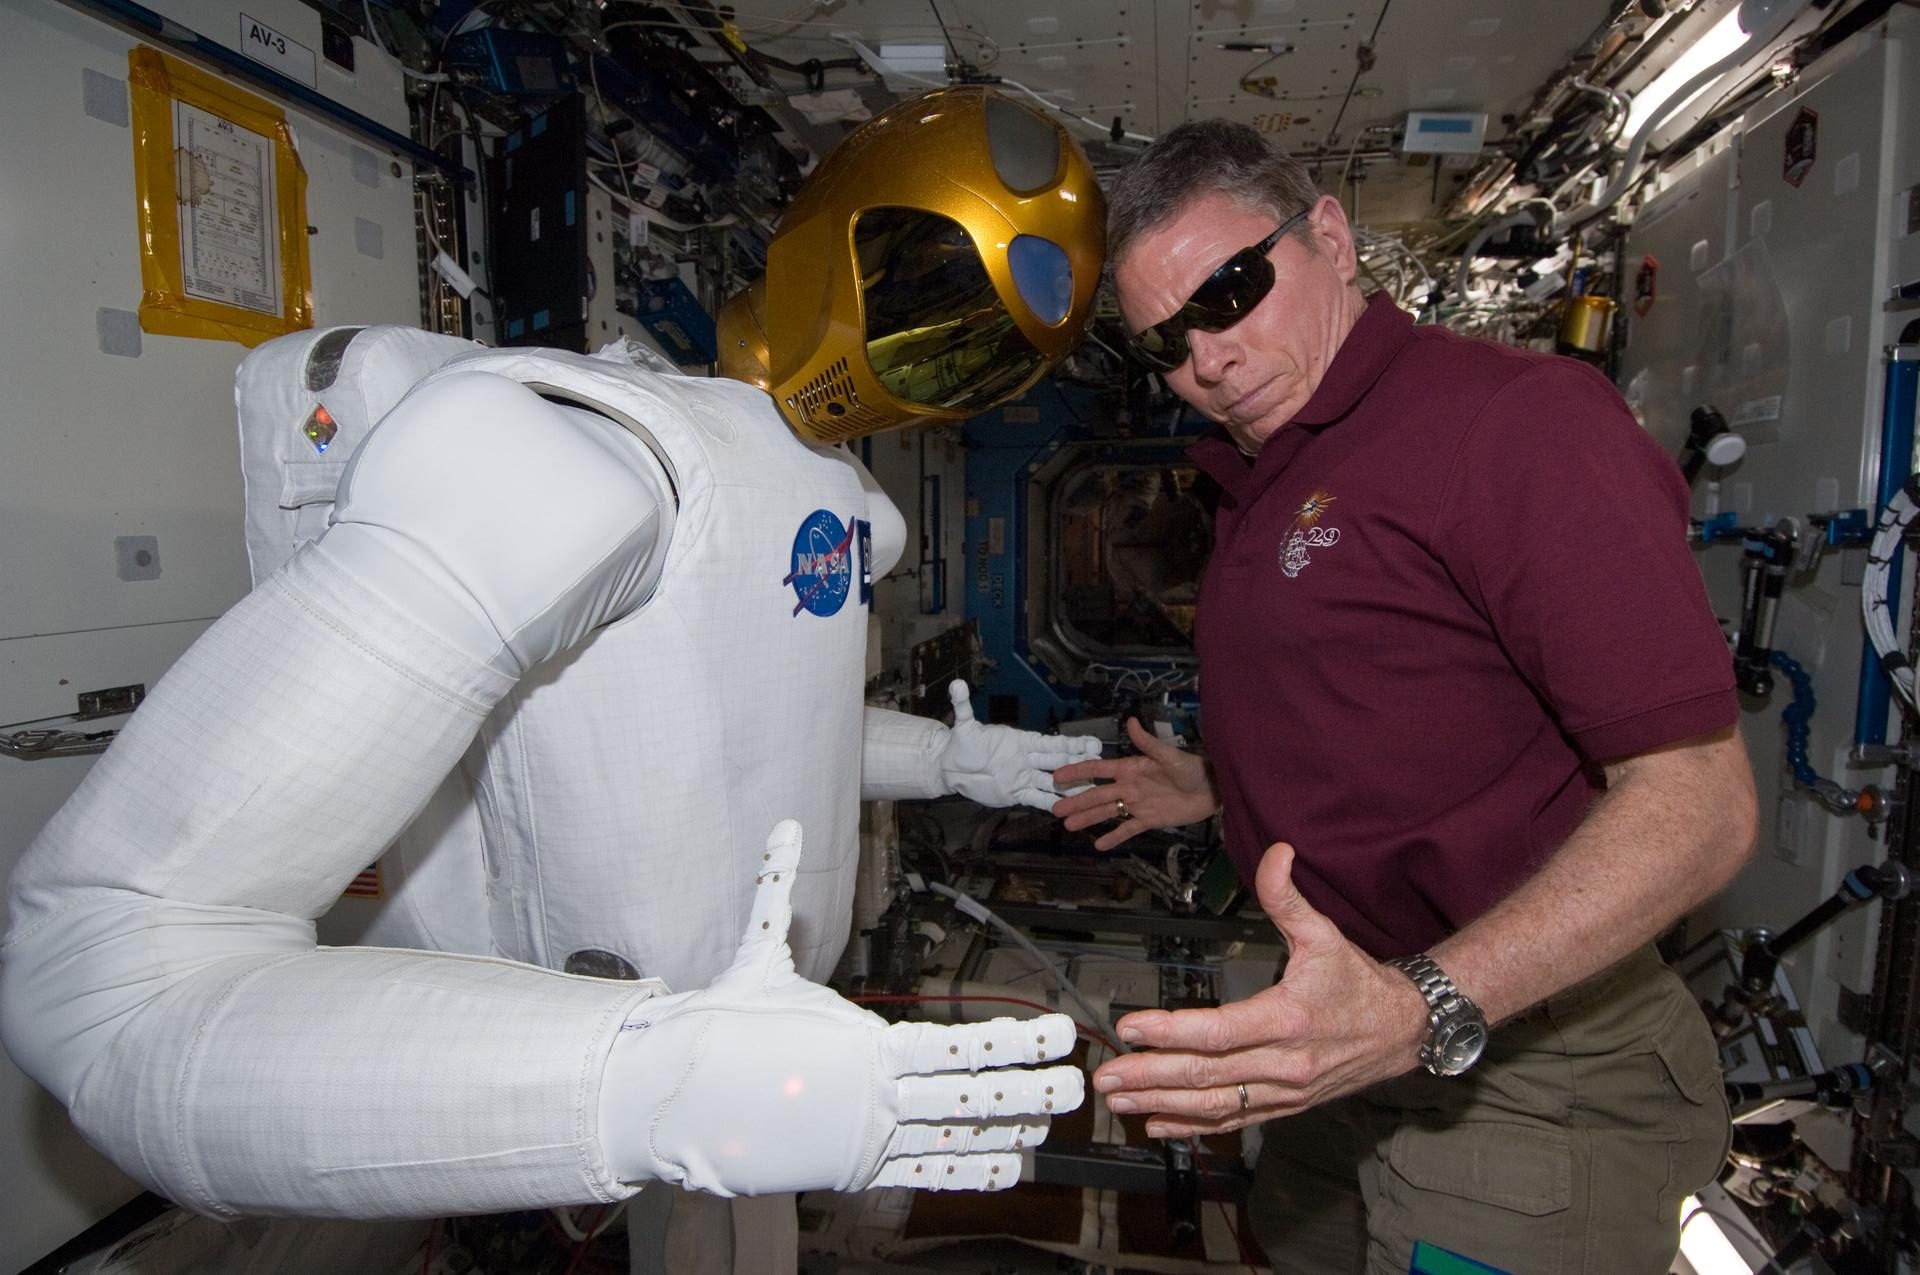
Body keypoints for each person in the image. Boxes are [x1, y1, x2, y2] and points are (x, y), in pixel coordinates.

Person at [0, 86, 1106, 1256]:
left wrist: (942, 760)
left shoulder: (839, 507)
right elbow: (101, 979)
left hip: (750, 1033)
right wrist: (640, 1091)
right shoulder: (584, 475)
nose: (932, 368)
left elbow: (769, 736)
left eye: (977, 359)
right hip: (633, 1048)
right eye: (932, 310)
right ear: (837, 246)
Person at [1049, 119, 1757, 1275]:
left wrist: (1425, 1005)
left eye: (1230, 291)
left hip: (1533, 1061)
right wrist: (1219, 788)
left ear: (1330, 236)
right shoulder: (1272, 472)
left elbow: (1700, 804)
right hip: (1355, 1036)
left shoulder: (1514, 424)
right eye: (1166, 343)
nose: (1207, 358)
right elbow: (1403, 696)